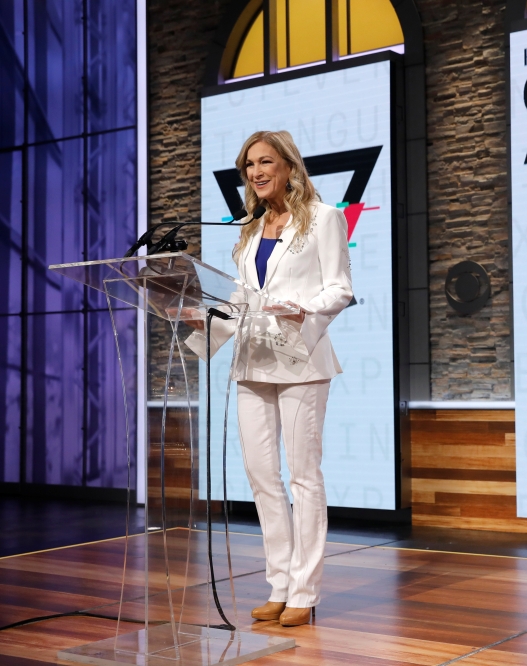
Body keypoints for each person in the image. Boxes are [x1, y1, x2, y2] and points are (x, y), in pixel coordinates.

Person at [187, 130, 353, 627]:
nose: (256, 172)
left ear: (288, 167)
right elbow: (243, 302)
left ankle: (304, 590)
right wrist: (202, 323)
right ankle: (279, 585)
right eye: (249, 165)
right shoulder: (250, 228)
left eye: (264, 162)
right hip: (253, 360)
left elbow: (340, 288)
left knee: (304, 477)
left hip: (301, 360)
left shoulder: (324, 217)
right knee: (262, 477)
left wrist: (304, 310)